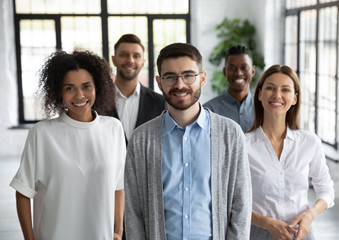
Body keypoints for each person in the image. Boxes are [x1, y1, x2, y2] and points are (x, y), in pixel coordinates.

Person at [124, 42, 252, 239]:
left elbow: (241, 205)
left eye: (188, 75)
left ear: (202, 78)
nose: (180, 84)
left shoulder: (231, 134)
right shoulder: (141, 139)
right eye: (170, 77)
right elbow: (133, 210)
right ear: (159, 82)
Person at [9, 50, 126, 240]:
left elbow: (118, 185)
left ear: (98, 87)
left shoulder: (113, 128)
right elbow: (23, 192)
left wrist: (118, 231)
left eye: (86, 86)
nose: (79, 95)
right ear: (59, 92)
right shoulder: (42, 133)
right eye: (70, 88)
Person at [245, 64, 335, 240]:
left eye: (285, 90)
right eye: (270, 88)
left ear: (294, 98)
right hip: (257, 233)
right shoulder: (243, 144)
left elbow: (326, 190)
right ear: (260, 94)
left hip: (300, 233)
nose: (277, 95)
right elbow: (231, 202)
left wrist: (310, 214)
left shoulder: (309, 142)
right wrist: (267, 223)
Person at [111, 33, 166, 141]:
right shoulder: (98, 100)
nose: (130, 60)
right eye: (124, 55)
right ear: (114, 60)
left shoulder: (160, 103)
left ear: (143, 62)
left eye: (136, 56)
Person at [204, 45, 256, 133]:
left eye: (244, 67)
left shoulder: (263, 107)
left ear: (253, 71)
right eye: (232, 68)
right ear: (225, 72)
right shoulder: (209, 110)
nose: (238, 73)